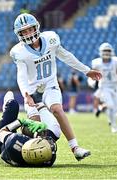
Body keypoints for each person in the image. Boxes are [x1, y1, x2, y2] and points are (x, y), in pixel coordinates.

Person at [10, 13, 102, 160]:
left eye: (30, 29)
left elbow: (66, 55)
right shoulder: (19, 52)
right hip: (33, 91)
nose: (28, 33)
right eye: (24, 31)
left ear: (36, 27)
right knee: (35, 125)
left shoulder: (50, 39)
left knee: (57, 109)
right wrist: (26, 94)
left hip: (50, 85)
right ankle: (30, 146)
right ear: (19, 34)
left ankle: (75, 147)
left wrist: (86, 70)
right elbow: (21, 75)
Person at [0, 91, 57, 167]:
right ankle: (35, 104)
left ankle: (17, 103)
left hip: (4, 144)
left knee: (12, 104)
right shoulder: (47, 159)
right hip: (23, 147)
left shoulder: (14, 141)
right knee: (55, 131)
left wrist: (21, 122)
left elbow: (0, 133)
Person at [90, 42, 117, 133]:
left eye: (108, 50)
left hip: (114, 86)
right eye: (105, 50)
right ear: (101, 52)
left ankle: (109, 119)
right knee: (110, 105)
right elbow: (92, 75)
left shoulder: (115, 61)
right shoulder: (96, 62)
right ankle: (114, 127)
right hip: (104, 87)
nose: (106, 52)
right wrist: (92, 81)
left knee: (114, 108)